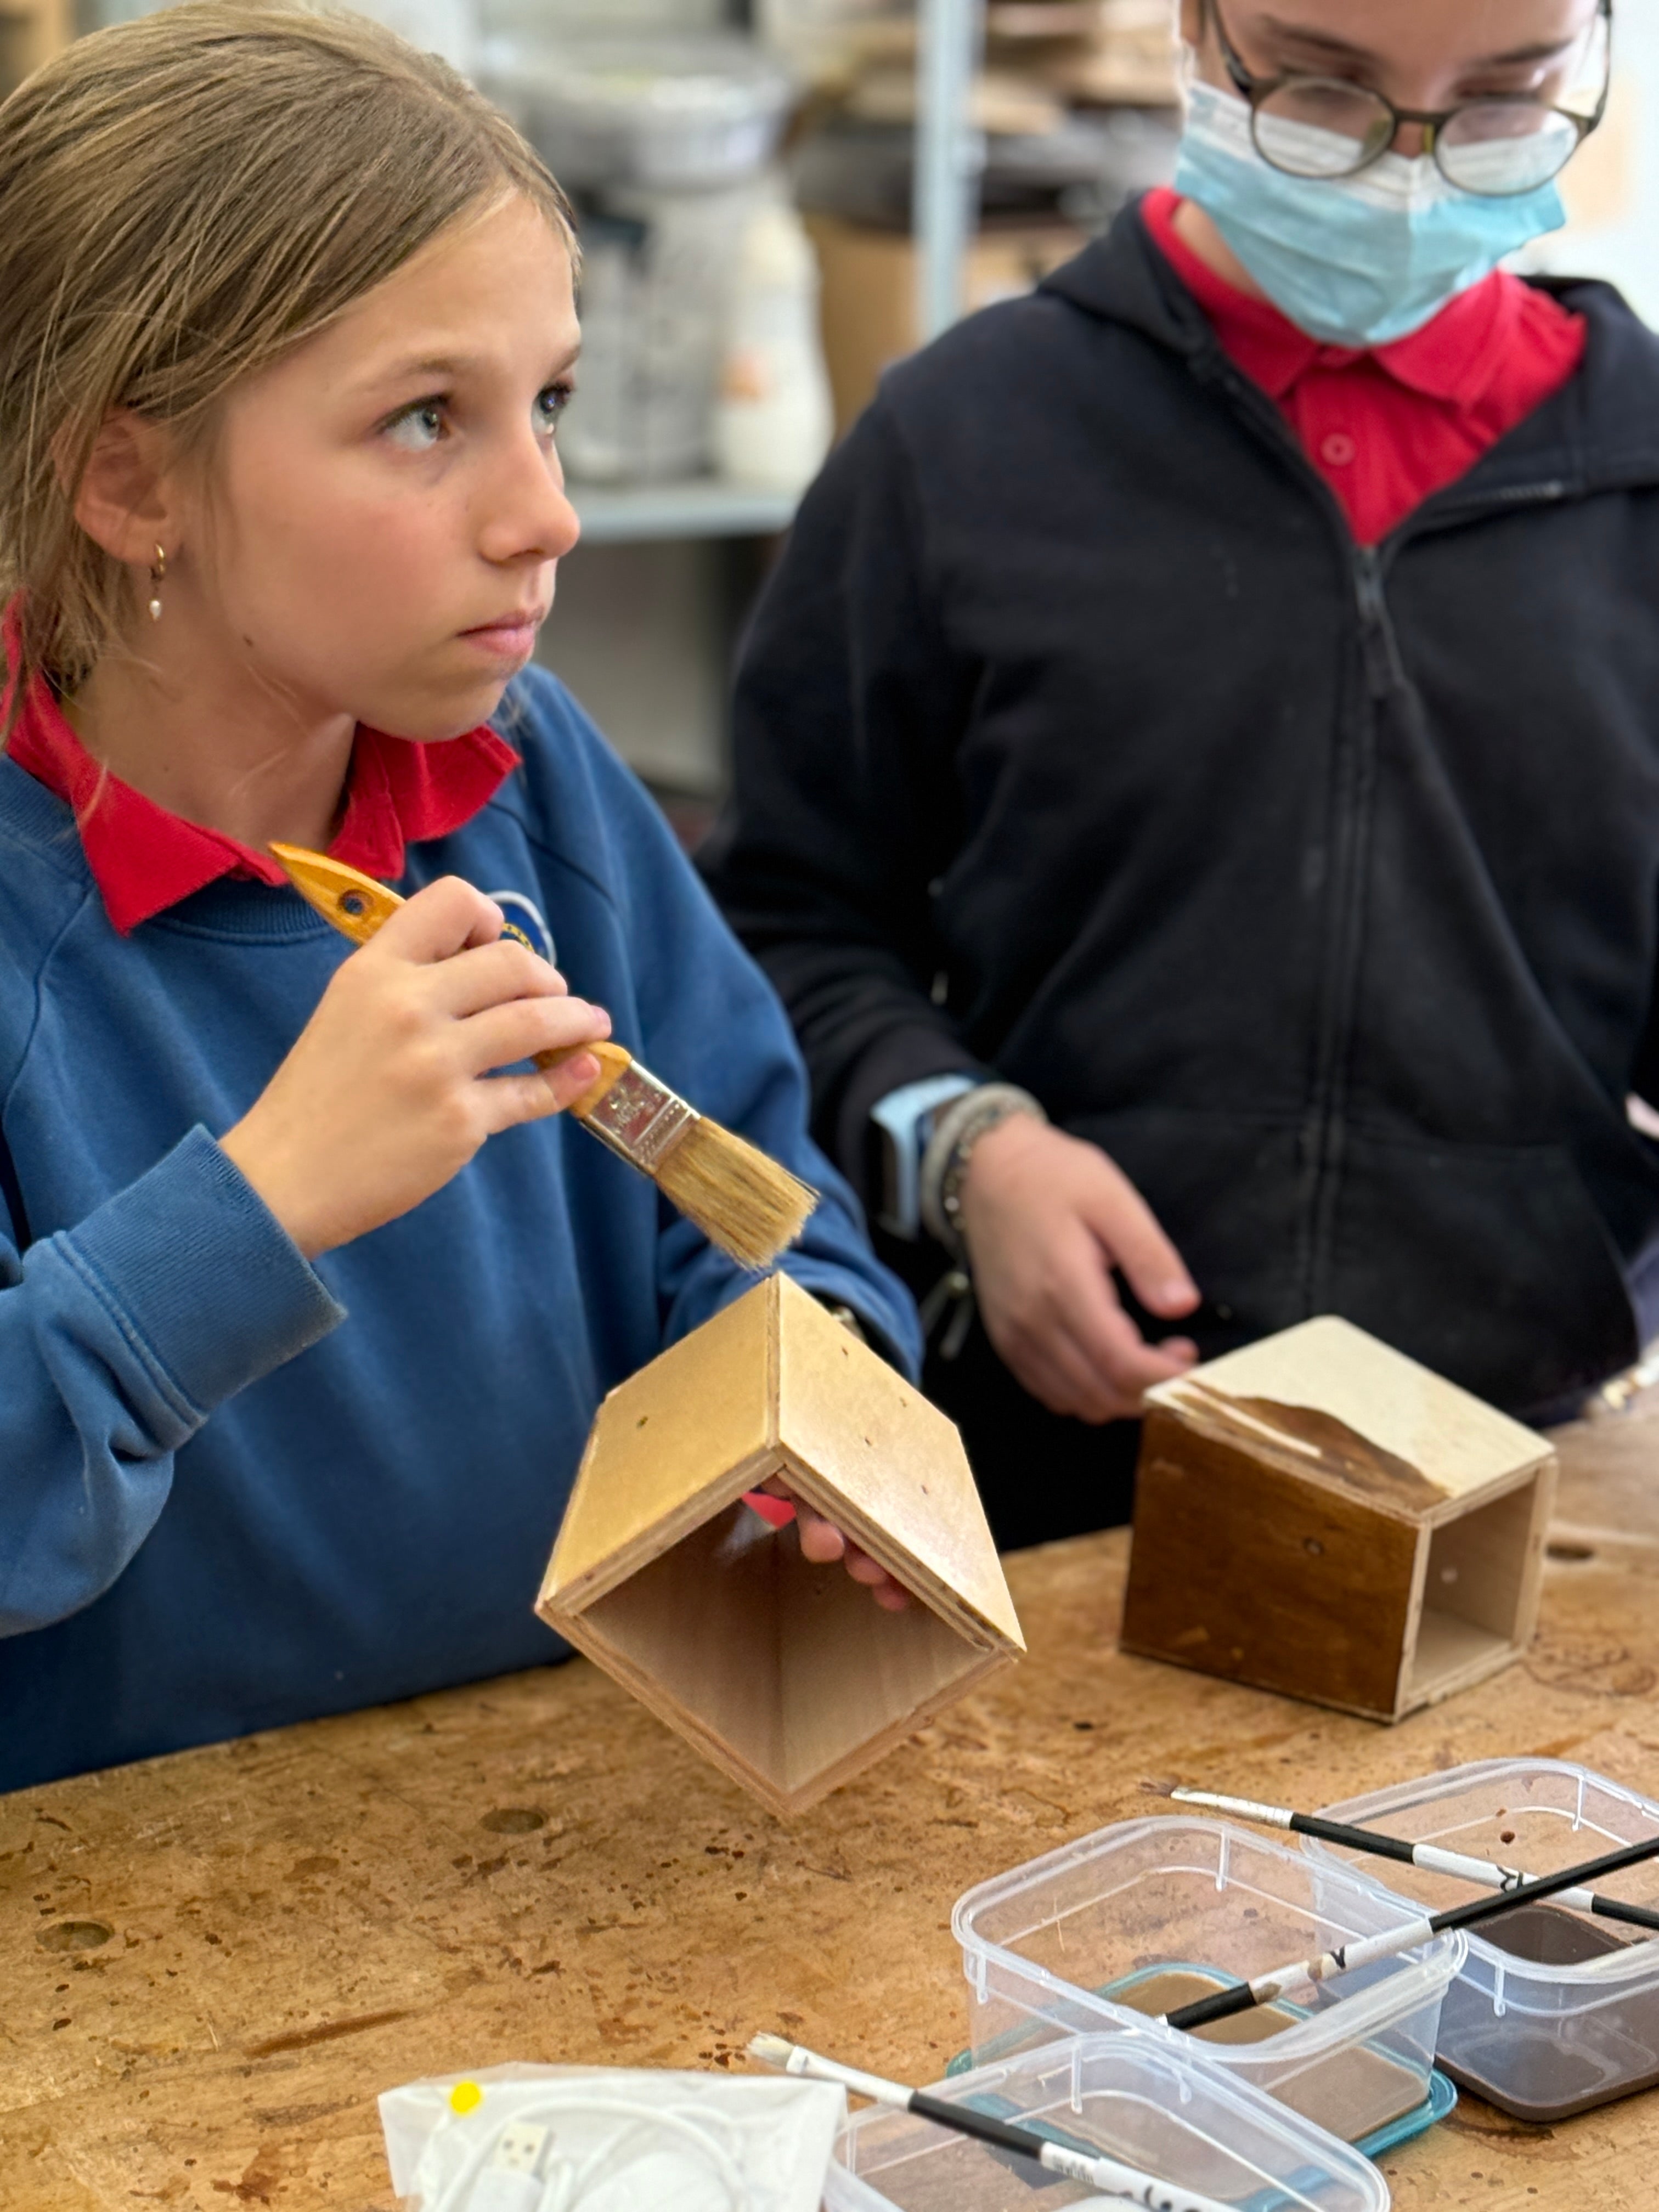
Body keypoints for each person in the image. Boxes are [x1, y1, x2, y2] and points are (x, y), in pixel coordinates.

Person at [0, 2, 921, 1796]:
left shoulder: (534, 776)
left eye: (550, 403)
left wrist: (796, 1404)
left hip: (555, 1830)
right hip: (114, 1946)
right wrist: (263, 1203)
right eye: (428, 418)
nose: (546, 512)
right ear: (128, 480)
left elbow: (767, 1219)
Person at [700, 0, 1659, 1549]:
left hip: (1522, 1483)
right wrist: (968, 1154)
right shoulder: (961, 444)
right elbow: (785, 930)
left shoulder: (1641, 482)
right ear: (1196, 38)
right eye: (1326, 91)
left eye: (1501, 101)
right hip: (1060, 1478)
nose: (1404, 168)